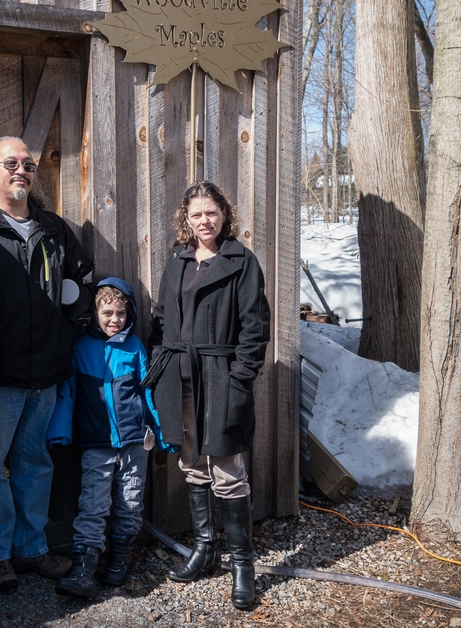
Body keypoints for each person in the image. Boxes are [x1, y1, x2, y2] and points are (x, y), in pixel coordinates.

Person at [0, 136, 95, 592]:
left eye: (28, 163)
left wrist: (68, 331)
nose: (21, 170)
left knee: (35, 463)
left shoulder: (53, 227)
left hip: (45, 372)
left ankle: (32, 547)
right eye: (11, 163)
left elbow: (81, 282)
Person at [148, 180, 271, 610]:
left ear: (225, 215)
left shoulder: (241, 261)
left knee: (227, 467)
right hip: (179, 376)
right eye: (196, 214)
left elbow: (255, 328)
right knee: (192, 463)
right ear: (186, 218)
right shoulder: (177, 261)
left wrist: (240, 377)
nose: (205, 221)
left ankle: (242, 564)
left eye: (212, 213)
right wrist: (159, 363)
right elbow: (161, 318)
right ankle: (205, 548)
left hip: (220, 377)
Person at [49, 278, 175, 599]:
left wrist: (160, 431)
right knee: (92, 504)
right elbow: (69, 393)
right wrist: (61, 430)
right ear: (94, 313)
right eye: (107, 312)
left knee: (130, 502)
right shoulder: (81, 349)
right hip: (96, 441)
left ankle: (118, 558)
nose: (114, 319)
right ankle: (84, 568)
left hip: (135, 441)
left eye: (121, 312)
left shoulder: (134, 348)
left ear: (129, 313)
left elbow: (147, 393)